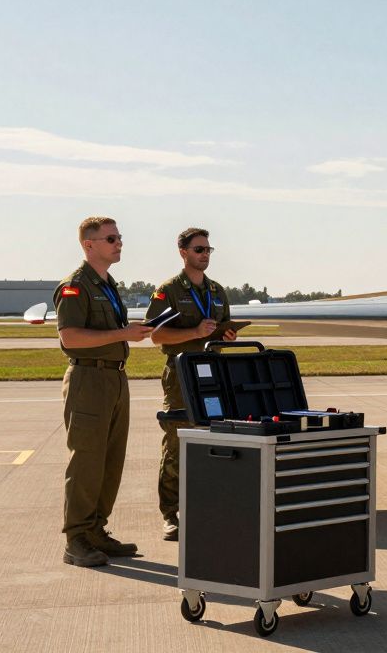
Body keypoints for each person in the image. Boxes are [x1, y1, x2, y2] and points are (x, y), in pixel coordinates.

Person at [55, 217, 153, 566]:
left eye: (120, 237)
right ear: (89, 244)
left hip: (114, 378)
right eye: (111, 238)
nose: (119, 243)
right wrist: (123, 334)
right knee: (86, 460)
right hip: (88, 380)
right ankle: (76, 538)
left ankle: (96, 530)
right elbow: (71, 338)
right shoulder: (75, 286)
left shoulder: (108, 284)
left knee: (110, 461)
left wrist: (129, 334)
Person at [145, 227, 235, 541]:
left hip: (213, 374)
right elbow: (156, 336)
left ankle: (205, 507)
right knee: (177, 443)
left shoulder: (217, 291)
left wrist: (226, 335)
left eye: (209, 250)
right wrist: (194, 333)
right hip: (181, 374)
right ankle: (171, 515)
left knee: (213, 440)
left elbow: (222, 327)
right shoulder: (168, 291)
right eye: (199, 249)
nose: (205, 255)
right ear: (183, 252)